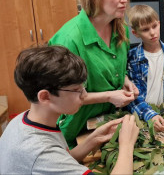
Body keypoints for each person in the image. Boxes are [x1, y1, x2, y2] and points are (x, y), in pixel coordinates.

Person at [0, 45, 139, 174]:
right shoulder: (40, 152)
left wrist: (94, 139)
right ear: (45, 96)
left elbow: (62, 159)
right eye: (76, 90)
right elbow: (51, 160)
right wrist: (126, 144)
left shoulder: (24, 120)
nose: (84, 95)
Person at [48, 0, 139, 148]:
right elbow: (60, 96)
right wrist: (109, 96)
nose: (124, 0)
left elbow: (113, 67)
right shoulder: (69, 39)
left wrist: (125, 79)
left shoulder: (121, 29)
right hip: (76, 129)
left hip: (107, 124)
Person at [126, 4, 164, 132]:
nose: (152, 32)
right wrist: (150, 115)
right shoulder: (132, 57)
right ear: (135, 33)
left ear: (159, 23)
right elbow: (133, 96)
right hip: (143, 115)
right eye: (145, 29)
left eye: (154, 26)